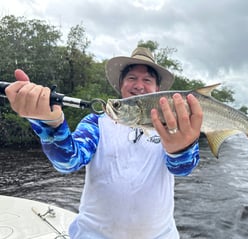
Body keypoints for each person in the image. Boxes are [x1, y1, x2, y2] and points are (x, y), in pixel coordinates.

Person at [5, 47, 203, 238]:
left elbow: (182, 169)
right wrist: (50, 125)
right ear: (120, 84)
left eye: (147, 79)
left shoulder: (174, 124)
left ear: (157, 89)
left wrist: (181, 150)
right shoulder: (96, 122)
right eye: (132, 78)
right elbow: (68, 162)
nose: (139, 85)